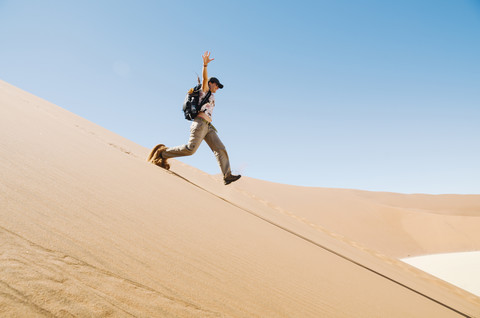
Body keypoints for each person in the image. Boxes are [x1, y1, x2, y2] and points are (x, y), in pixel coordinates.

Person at [148, 51, 241, 185]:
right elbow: (204, 79)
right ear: (212, 83)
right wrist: (205, 65)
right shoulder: (205, 89)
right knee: (190, 150)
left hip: (208, 127)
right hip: (199, 124)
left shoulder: (212, 96)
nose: (218, 88)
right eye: (217, 86)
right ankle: (162, 153)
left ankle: (227, 176)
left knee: (220, 148)